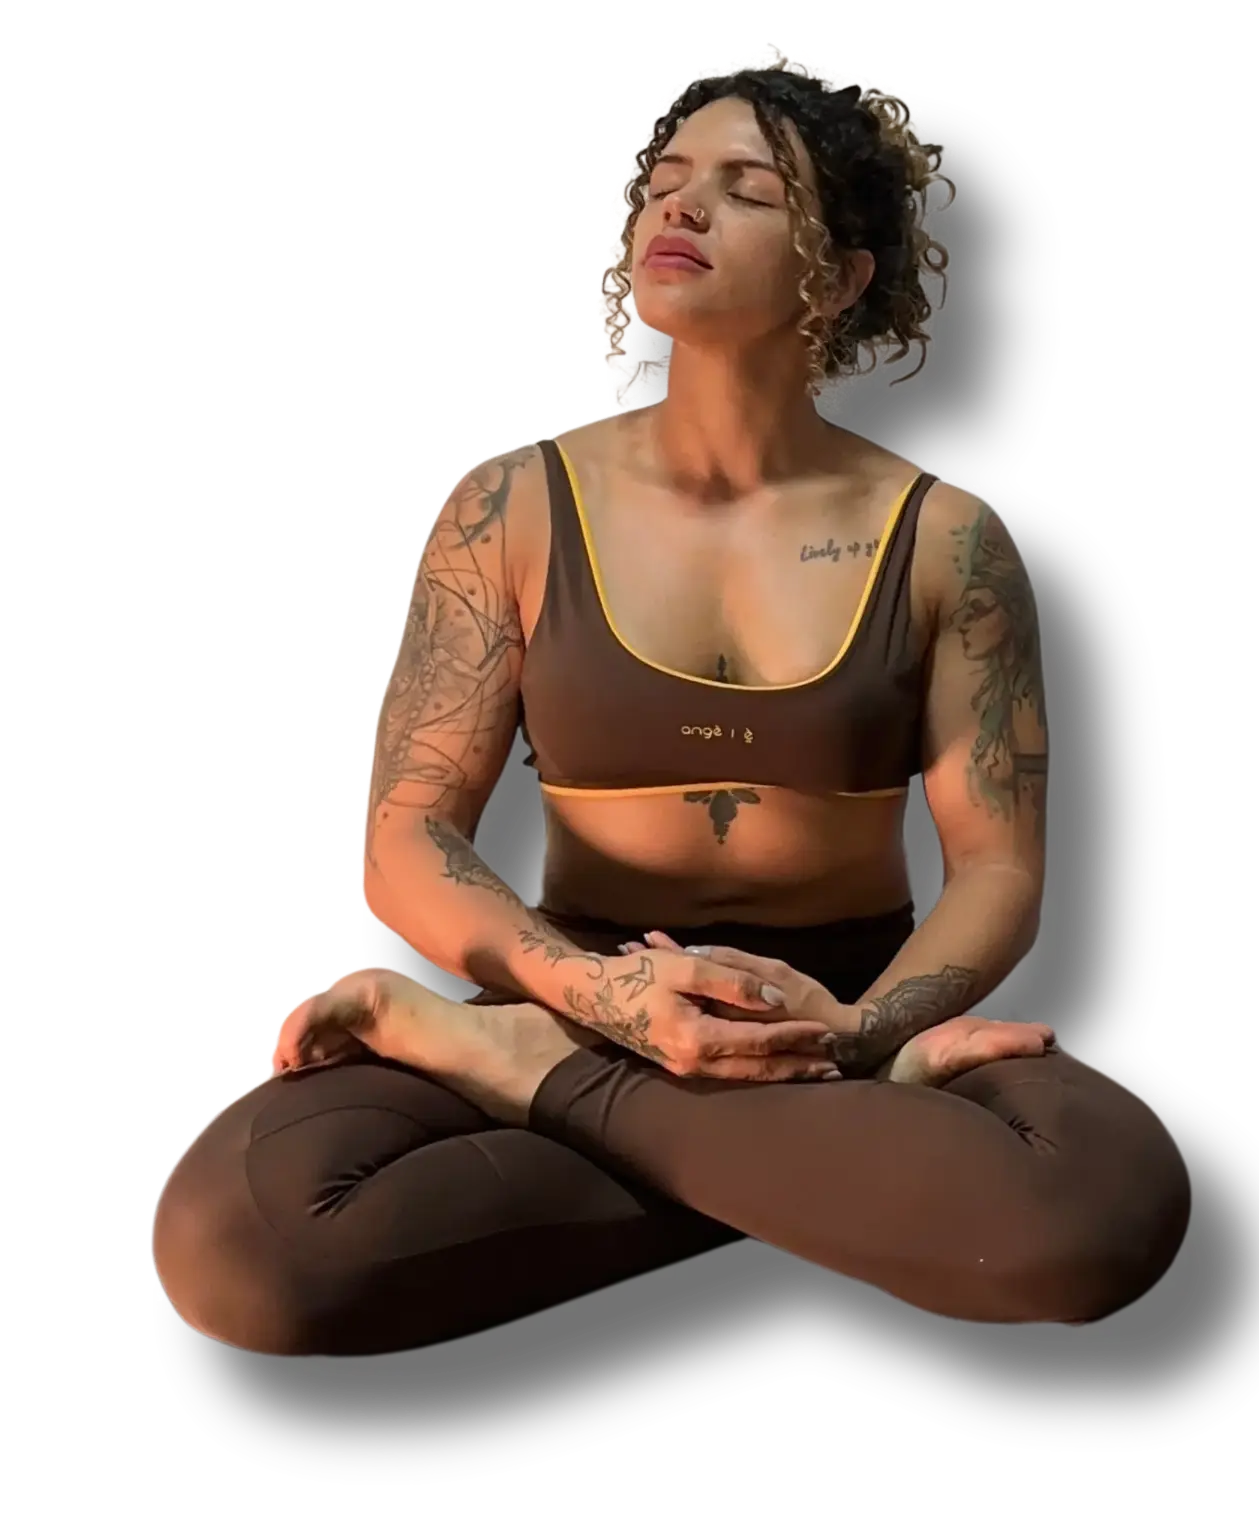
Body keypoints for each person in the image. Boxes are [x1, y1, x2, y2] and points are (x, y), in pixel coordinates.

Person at [151, 56, 1191, 1358]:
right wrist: (597, 1002)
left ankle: (529, 1081)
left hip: (832, 1003)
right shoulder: (507, 508)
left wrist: (865, 1032)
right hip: (570, 986)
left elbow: (996, 869)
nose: (679, 209)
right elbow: (406, 835)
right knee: (240, 1244)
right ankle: (818, 1174)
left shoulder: (948, 539)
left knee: (1106, 1205)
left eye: (746, 190)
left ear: (842, 277)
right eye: (665, 182)